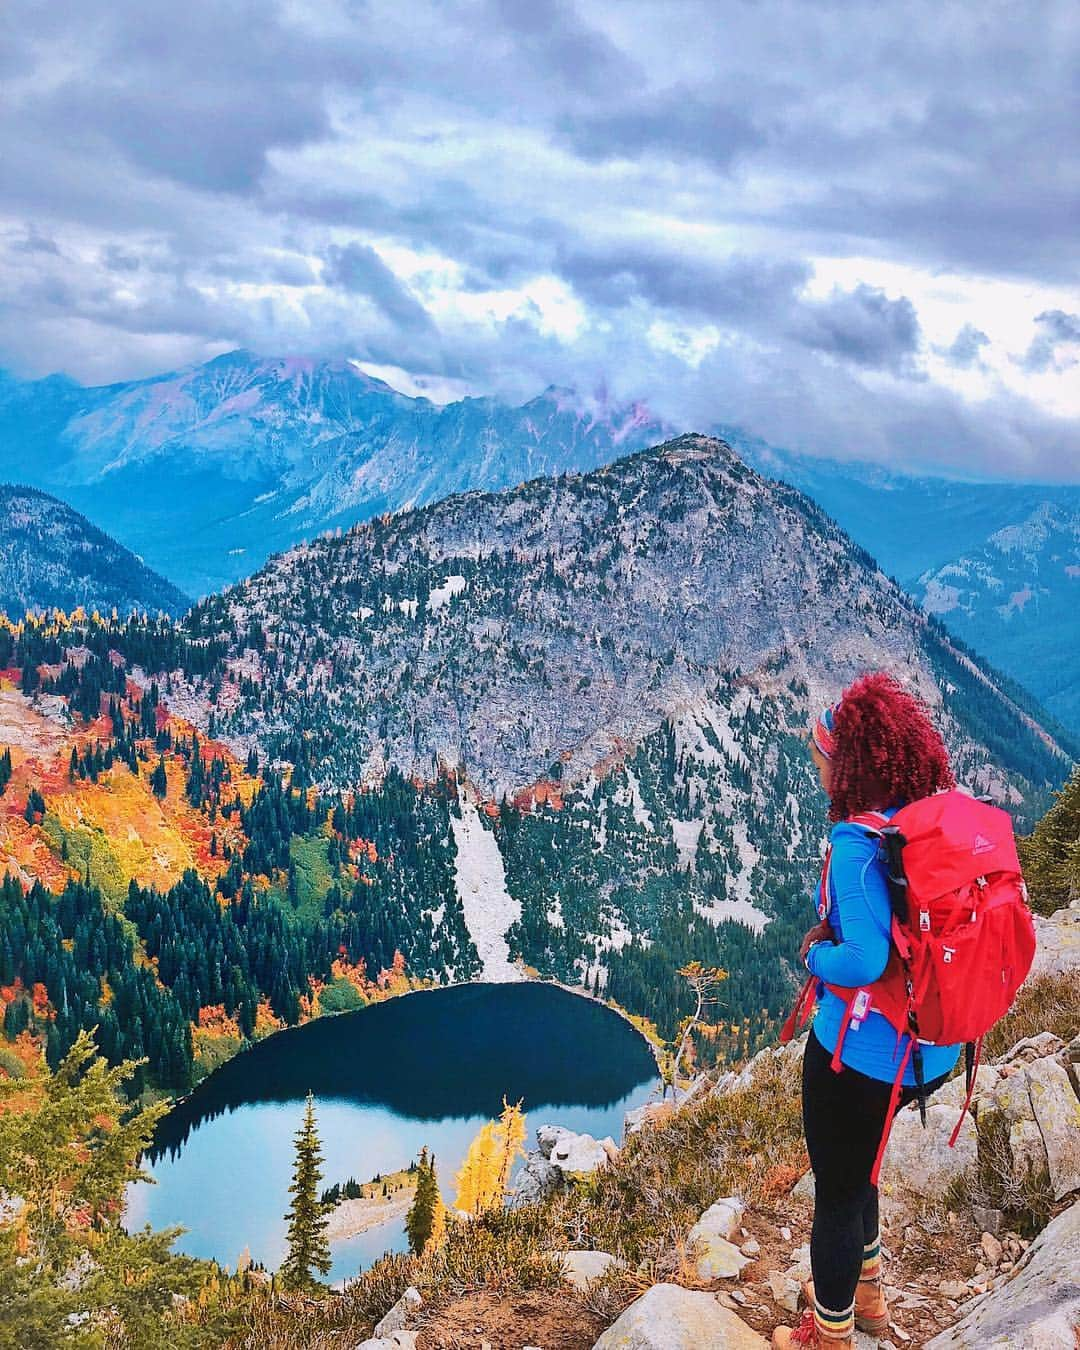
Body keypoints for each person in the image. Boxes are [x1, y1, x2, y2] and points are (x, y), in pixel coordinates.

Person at [772, 673, 961, 1350]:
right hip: (933, 1049)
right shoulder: (921, 818)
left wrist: (812, 961)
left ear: (848, 764)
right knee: (865, 1165)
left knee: (838, 1193)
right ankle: (870, 1297)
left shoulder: (857, 843)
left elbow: (863, 961)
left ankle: (828, 1334)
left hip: (863, 1053)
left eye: (823, 757)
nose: (817, 767)